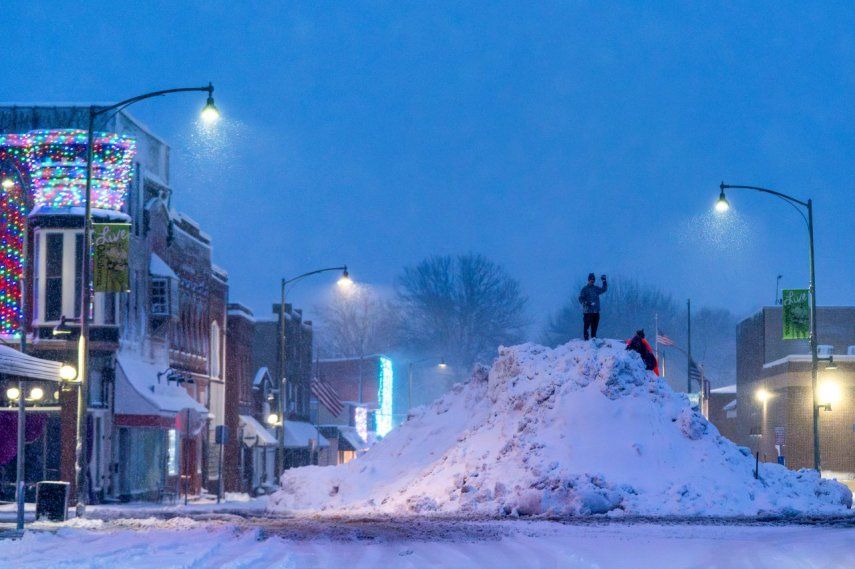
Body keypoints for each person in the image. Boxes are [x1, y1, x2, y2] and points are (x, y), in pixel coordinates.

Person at [578, 273, 607, 340]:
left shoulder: (596, 288)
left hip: (596, 311)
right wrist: (586, 302)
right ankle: (586, 341)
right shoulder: (584, 289)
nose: (592, 280)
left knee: (594, 327)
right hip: (587, 312)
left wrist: (604, 281)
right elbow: (580, 298)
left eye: (593, 279)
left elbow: (604, 289)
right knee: (587, 327)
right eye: (591, 279)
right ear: (588, 280)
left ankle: (593, 339)